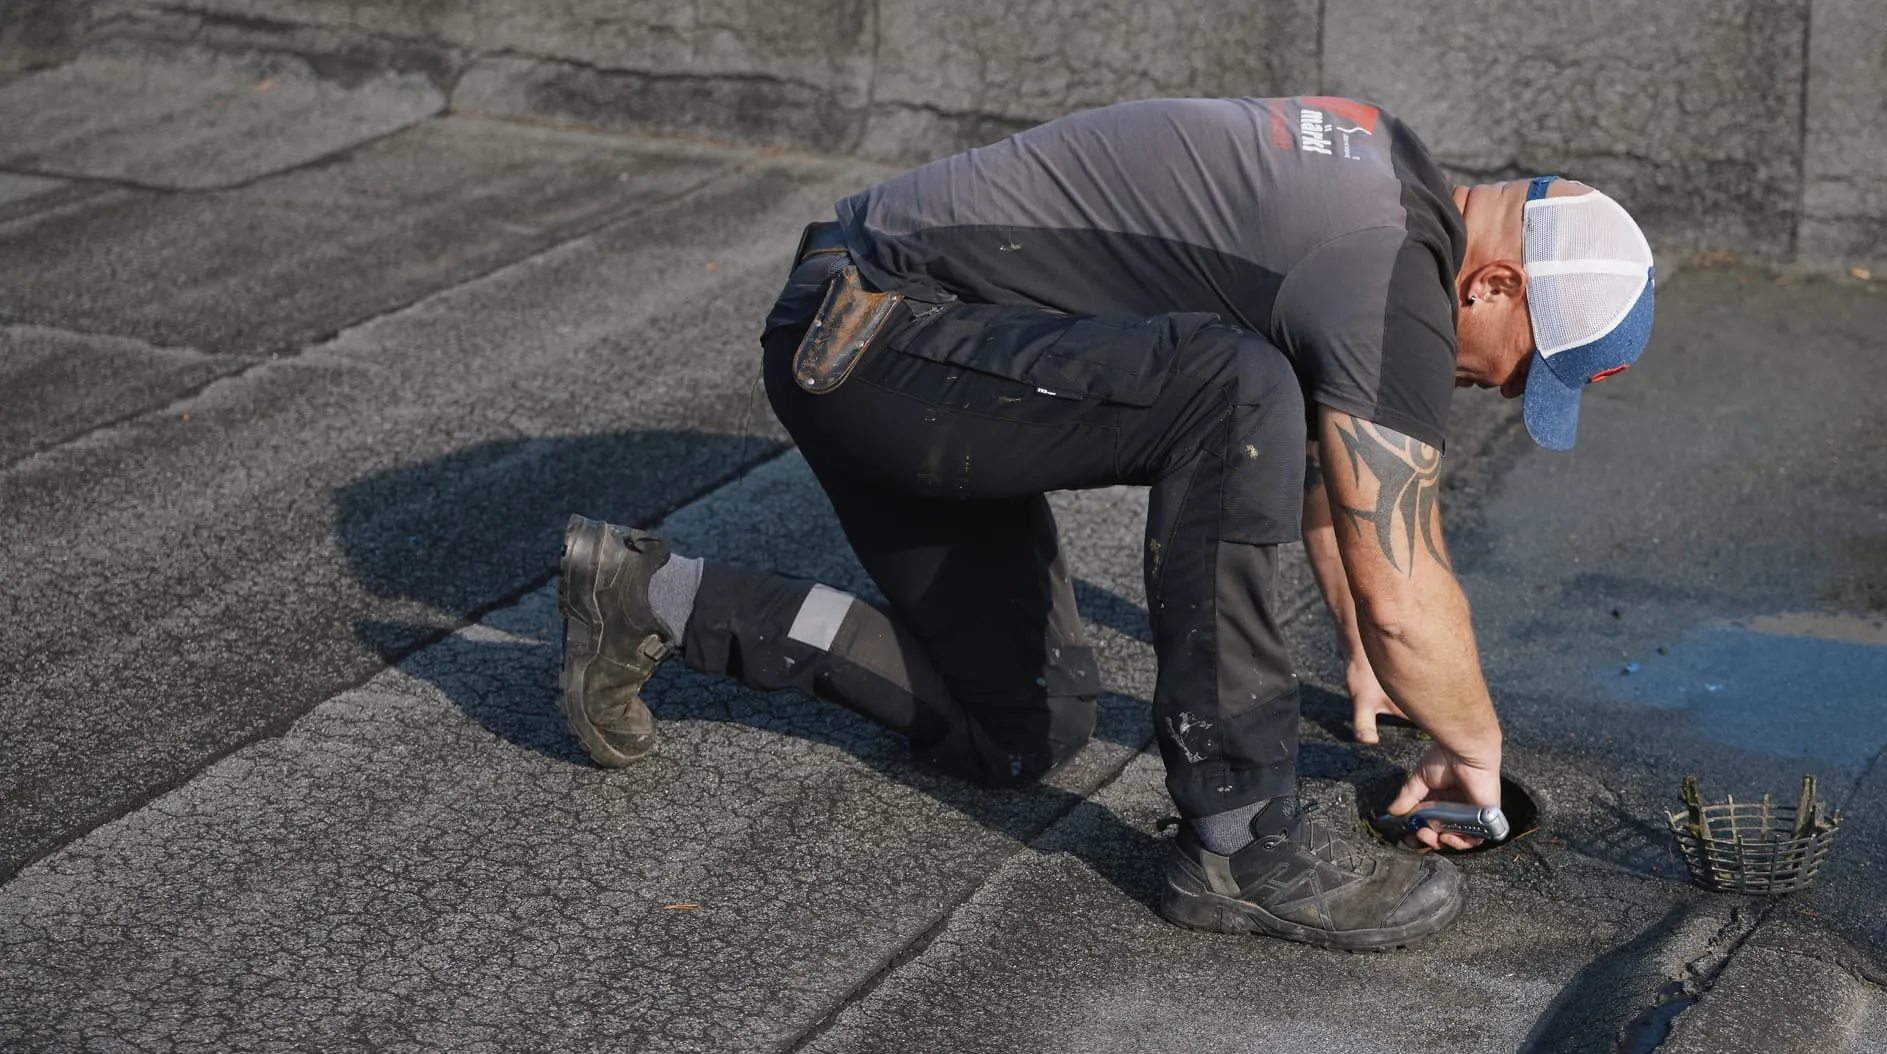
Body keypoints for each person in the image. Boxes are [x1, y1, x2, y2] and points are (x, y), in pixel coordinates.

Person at [557, 96, 1655, 952]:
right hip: (879, 343)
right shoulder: (1384, 273)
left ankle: (653, 596)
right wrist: (1470, 742)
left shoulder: (1385, 171)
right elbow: (1402, 575)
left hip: (904, 345)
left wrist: (1367, 648)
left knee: (1022, 731)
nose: (1506, 393)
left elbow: (1358, 499)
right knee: (1239, 391)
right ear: (1493, 285)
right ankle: (1243, 841)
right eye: (1530, 371)